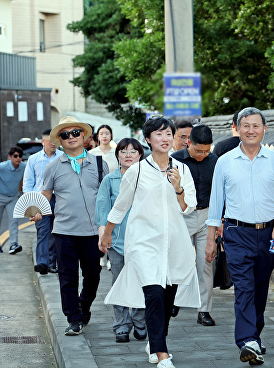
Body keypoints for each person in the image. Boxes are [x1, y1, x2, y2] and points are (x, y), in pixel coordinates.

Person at [99, 116, 200, 368]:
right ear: (148, 139)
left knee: (167, 298)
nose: (165, 139)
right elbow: (120, 206)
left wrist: (178, 188)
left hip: (175, 244)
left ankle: (155, 342)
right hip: (144, 242)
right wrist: (107, 232)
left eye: (168, 134)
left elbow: (189, 208)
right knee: (153, 293)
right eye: (159, 134)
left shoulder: (183, 170)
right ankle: (162, 354)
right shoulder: (137, 171)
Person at [205, 107, 274, 366]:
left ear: (264, 129)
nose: (251, 130)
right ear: (237, 129)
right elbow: (216, 202)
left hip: (268, 234)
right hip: (235, 232)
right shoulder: (225, 161)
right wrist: (210, 240)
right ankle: (246, 340)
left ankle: (254, 338)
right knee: (243, 287)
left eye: (256, 125)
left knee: (260, 288)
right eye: (246, 126)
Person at [31, 116, 109, 336]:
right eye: (65, 135)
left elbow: (108, 196)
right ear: (60, 140)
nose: (71, 137)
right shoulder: (53, 167)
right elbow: (45, 195)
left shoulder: (100, 164)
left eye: (76, 133)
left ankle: (83, 307)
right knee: (67, 278)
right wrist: (36, 211)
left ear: (84, 136)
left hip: (93, 232)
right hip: (64, 232)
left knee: (93, 276)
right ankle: (74, 319)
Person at [95, 138, 147, 343]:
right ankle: (121, 325)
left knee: (143, 282)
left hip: (144, 241)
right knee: (119, 283)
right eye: (124, 151)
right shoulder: (110, 180)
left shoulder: (148, 178)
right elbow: (102, 209)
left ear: (140, 155)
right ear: (117, 156)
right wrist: (103, 235)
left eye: (133, 152)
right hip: (117, 242)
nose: (128, 155)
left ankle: (140, 321)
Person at [171, 124, 218, 327]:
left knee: (205, 263)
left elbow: (219, 193)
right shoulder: (175, 160)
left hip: (206, 215)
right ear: (188, 142)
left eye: (207, 151)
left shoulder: (215, 161)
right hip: (182, 215)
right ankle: (173, 298)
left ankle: (204, 310)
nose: (203, 155)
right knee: (177, 260)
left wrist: (219, 221)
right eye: (199, 150)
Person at [23, 129, 63, 274]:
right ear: (43, 142)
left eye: (55, 141)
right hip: (40, 199)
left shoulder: (63, 157)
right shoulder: (34, 159)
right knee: (43, 231)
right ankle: (42, 263)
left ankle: (52, 263)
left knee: (55, 232)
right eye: (50, 141)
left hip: (59, 199)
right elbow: (28, 183)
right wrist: (30, 204)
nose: (53, 144)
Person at [0, 146, 26, 254]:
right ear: (10, 157)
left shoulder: (23, 166)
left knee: (14, 220)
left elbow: (22, 178)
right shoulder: (2, 167)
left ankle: (13, 244)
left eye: (20, 156)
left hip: (12, 197)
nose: (18, 158)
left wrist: (19, 191)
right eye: (15, 156)